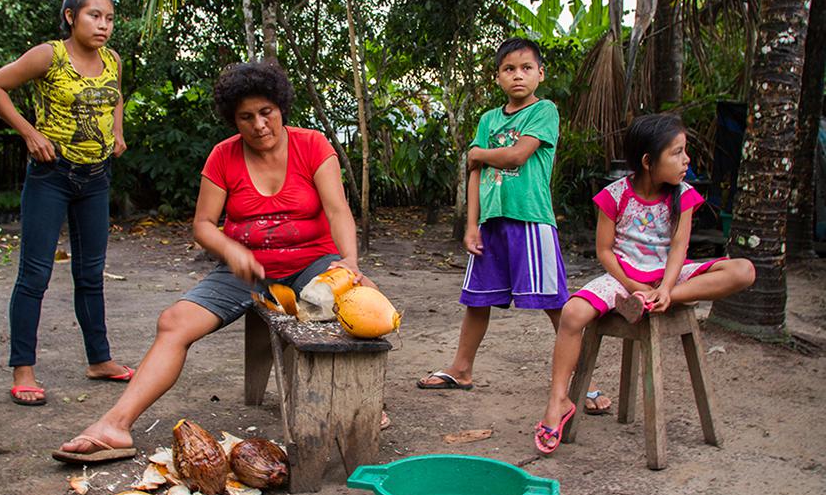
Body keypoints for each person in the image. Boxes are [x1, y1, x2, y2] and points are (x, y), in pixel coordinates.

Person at [54, 60, 375, 462]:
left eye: (266, 112)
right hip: (244, 272)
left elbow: (338, 209)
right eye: (246, 117)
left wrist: (348, 261)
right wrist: (233, 251)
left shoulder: (312, 145)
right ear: (233, 120)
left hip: (314, 262)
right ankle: (115, 425)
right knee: (173, 322)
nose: (259, 125)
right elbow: (204, 225)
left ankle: (363, 406)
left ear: (280, 108)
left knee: (368, 302)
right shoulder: (223, 156)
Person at [534, 113, 755, 454]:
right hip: (623, 278)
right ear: (648, 161)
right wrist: (632, 284)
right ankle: (558, 400)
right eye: (677, 153)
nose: (686, 161)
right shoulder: (614, 195)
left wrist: (666, 289)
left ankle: (656, 300)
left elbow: (679, 248)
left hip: (668, 275)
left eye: (685, 152)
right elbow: (604, 251)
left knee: (743, 271)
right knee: (572, 313)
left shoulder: (684, 195)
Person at [416, 38, 612, 414]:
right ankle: (461, 369)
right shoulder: (488, 120)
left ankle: (585, 382)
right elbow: (473, 175)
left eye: (526, 68)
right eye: (509, 69)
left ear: (541, 73)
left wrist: (478, 154)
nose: (517, 75)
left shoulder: (545, 111)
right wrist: (471, 225)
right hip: (491, 224)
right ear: (497, 77)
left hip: (531, 221)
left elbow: (518, 153)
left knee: (557, 305)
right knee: (478, 300)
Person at [0, 0, 132, 407]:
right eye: (94, 16)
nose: (103, 25)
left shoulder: (111, 60)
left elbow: (114, 98)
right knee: (35, 274)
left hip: (96, 178)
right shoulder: (49, 56)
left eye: (109, 18)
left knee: (90, 273)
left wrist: (117, 131)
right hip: (51, 176)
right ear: (70, 17)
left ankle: (99, 360)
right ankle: (23, 370)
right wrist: (30, 133)